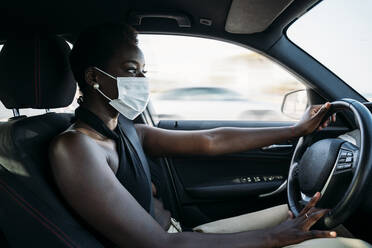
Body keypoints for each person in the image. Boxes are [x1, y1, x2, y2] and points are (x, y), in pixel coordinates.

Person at [49, 23, 369, 248]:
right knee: (346, 244)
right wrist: (276, 238)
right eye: (132, 70)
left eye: (143, 72)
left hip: (184, 235)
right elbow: (157, 244)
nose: (142, 81)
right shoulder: (76, 147)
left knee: (316, 216)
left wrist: (295, 129)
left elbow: (211, 141)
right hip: (171, 244)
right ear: (94, 78)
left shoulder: (125, 131)